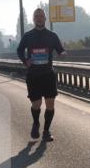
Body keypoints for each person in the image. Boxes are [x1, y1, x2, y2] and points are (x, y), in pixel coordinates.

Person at [16, 8, 68, 141]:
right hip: (33, 75)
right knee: (37, 104)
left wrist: (62, 53)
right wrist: (25, 61)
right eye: (36, 16)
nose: (39, 18)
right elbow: (20, 50)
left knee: (50, 104)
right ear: (33, 19)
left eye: (41, 16)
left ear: (45, 19)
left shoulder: (52, 35)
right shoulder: (28, 36)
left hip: (48, 74)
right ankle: (36, 123)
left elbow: (60, 50)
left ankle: (46, 131)